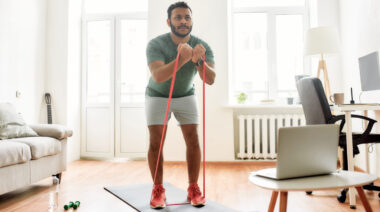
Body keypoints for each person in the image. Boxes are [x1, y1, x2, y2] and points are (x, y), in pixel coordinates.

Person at [145, 1, 216, 209]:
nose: (183, 21)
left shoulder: (202, 46)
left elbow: (210, 79)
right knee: (156, 143)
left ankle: (193, 188)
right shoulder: (156, 44)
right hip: (157, 95)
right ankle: (158, 189)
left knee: (193, 139)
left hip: (186, 94)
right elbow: (158, 76)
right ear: (169, 21)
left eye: (187, 17)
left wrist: (199, 61)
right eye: (178, 17)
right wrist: (183, 59)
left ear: (191, 20)